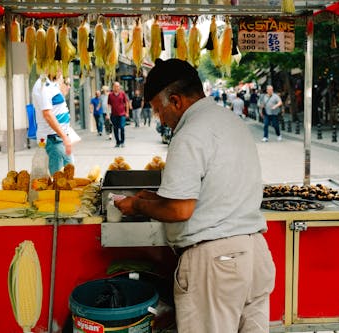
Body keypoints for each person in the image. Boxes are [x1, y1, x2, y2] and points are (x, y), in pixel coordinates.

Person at [114, 59, 275, 333]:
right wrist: (152, 198)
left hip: (216, 266)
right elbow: (212, 191)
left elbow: (181, 210)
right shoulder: (230, 121)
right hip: (255, 256)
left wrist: (139, 204)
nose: (160, 120)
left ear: (175, 100)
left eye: (157, 110)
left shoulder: (189, 134)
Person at [32, 72, 74, 175]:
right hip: (53, 138)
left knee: (69, 173)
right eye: (58, 64)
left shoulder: (52, 83)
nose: (61, 68)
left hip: (59, 137)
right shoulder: (42, 85)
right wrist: (64, 136)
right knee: (59, 178)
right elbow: (47, 114)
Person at [108, 81, 129, 148]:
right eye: (116, 86)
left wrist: (127, 112)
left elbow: (126, 103)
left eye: (118, 86)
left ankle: (122, 142)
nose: (117, 87)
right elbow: (108, 105)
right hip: (114, 114)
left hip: (122, 114)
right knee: (115, 129)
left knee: (122, 127)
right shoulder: (110, 95)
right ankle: (118, 142)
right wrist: (107, 114)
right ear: (113, 87)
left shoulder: (122, 94)